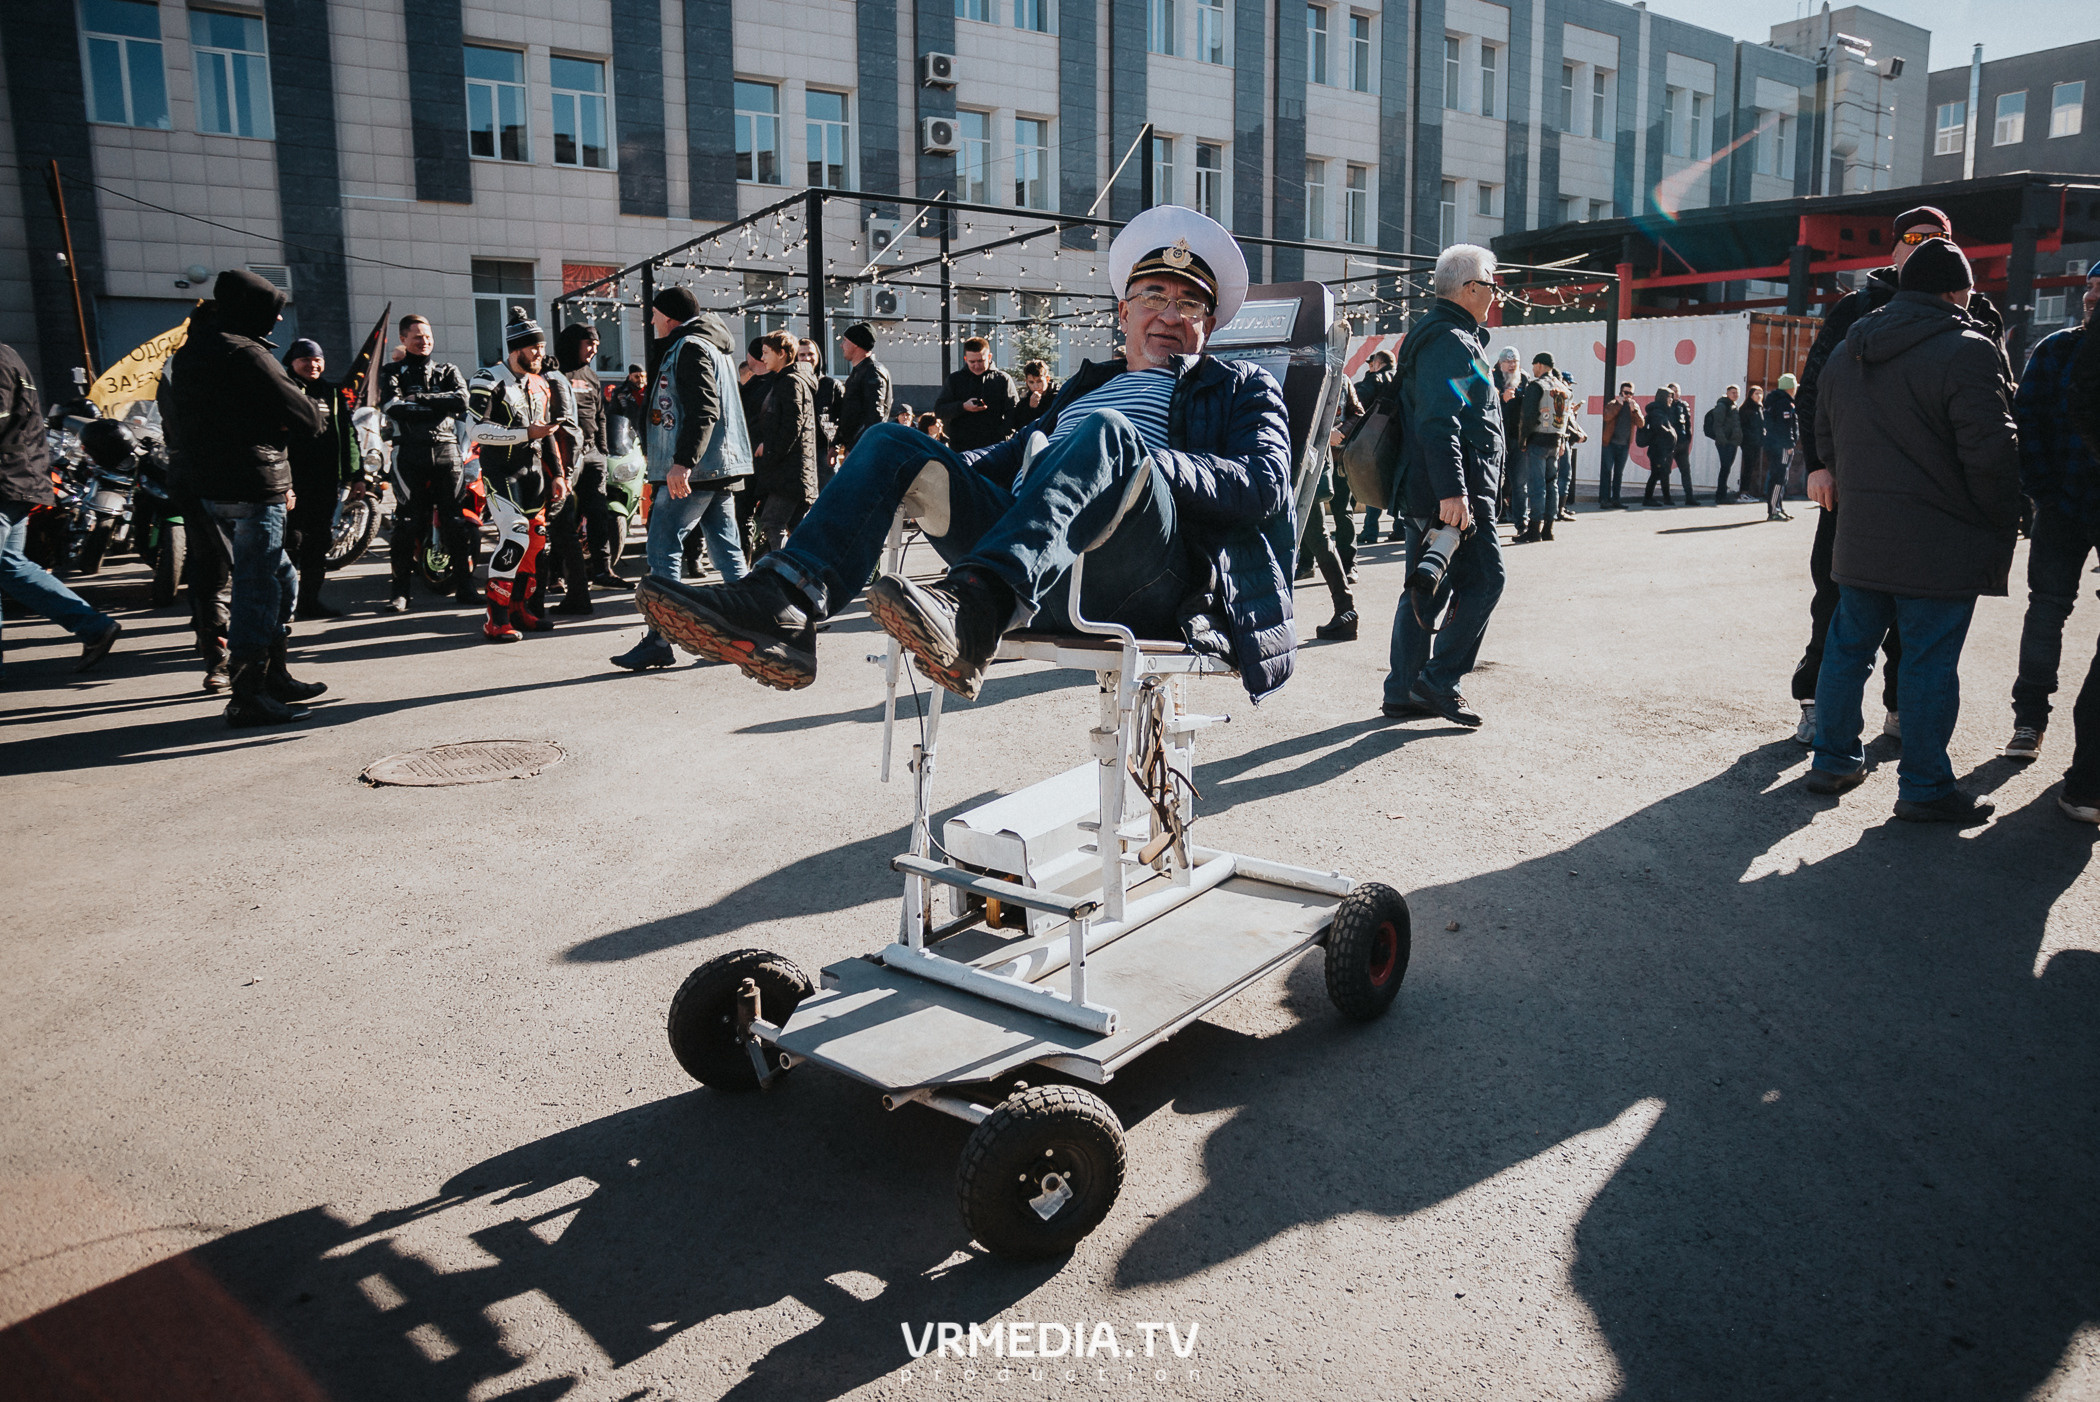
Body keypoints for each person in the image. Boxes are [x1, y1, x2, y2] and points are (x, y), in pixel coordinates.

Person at [636, 203, 1298, 707]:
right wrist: (915, 472)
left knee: (1109, 434)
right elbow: (1006, 458)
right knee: (892, 442)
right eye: (1154, 296)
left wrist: (1145, 461)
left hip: (1146, 574)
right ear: (1123, 312)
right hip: (1041, 560)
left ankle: (976, 611)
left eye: (1191, 304)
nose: (1171, 314)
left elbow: (1267, 483)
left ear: (1212, 325)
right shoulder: (1087, 386)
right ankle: (783, 606)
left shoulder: (1239, 385)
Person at [1806, 238, 2019, 824]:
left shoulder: (1852, 345)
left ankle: (1832, 759)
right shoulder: (1967, 349)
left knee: (1848, 650)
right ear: (1956, 291)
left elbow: (1825, 432)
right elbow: (1991, 452)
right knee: (1928, 662)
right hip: (1939, 540)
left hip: (1860, 533)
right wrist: (2001, 517)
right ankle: (1924, 787)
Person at [168, 268, 329, 725]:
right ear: (250, 310)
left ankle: (274, 676)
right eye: (272, 311)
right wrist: (282, 416)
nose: (277, 321)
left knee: (279, 578)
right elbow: (309, 418)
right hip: (254, 488)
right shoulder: (247, 353)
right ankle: (248, 694)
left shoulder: (191, 352)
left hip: (210, 486)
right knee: (258, 588)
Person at [1380, 245, 1506, 729]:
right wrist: (1454, 493)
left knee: (1424, 587)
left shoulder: (1443, 334)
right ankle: (1438, 681)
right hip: (1453, 491)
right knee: (1486, 580)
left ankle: (1403, 690)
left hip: (1433, 486)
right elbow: (1439, 421)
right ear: (1470, 288)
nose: (1496, 294)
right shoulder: (1451, 340)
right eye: (1492, 285)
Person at [610, 286, 751, 672]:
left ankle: (660, 638)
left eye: (655, 314)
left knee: (662, 548)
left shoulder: (689, 346)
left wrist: (682, 462)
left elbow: (704, 409)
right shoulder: (712, 346)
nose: (651, 320)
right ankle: (751, 628)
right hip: (716, 467)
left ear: (670, 317)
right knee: (726, 551)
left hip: (694, 470)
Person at [2002, 266, 2100, 766]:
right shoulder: (2056, 349)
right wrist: (2042, 492)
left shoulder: (2060, 349)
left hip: (2063, 500)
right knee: (2047, 609)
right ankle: (2030, 720)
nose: (2091, 296)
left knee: (2047, 609)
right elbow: (2026, 423)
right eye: (2089, 287)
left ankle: (2080, 745)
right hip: (2063, 505)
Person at [0, 343, 121, 679]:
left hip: (6, 480)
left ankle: (93, 626)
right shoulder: (8, 354)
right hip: (17, 478)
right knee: (10, 566)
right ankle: (93, 626)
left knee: (10, 566)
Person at [467, 307, 573, 641]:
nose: (541, 354)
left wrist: (558, 474)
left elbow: (548, 432)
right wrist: (525, 433)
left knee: (536, 542)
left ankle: (519, 610)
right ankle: (495, 618)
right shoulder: (487, 378)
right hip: (500, 473)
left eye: (542, 347)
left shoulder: (541, 384)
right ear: (516, 349)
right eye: (534, 348)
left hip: (534, 474)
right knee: (514, 536)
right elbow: (475, 430)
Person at [378, 314, 475, 611]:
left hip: (447, 451)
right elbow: (393, 406)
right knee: (407, 524)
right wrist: (438, 405)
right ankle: (400, 594)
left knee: (456, 522)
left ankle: (466, 589)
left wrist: (420, 398)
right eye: (418, 337)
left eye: (428, 336)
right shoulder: (392, 370)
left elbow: (462, 401)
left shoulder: (448, 369)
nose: (424, 341)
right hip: (410, 453)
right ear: (403, 339)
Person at [279, 338, 355, 620]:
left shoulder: (332, 392)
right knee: (291, 540)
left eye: (317, 359)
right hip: (290, 481)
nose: (312, 364)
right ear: (292, 362)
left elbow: (348, 433)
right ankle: (283, 605)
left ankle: (309, 602)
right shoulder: (283, 387)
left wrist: (355, 475)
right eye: (305, 359)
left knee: (319, 542)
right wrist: (283, 484)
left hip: (324, 481)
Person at [551, 322, 618, 611]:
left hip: (593, 455)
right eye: (589, 344)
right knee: (563, 517)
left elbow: (601, 415)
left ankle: (603, 570)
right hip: (566, 455)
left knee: (598, 513)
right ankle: (555, 575)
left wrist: (603, 450)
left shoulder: (591, 375)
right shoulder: (554, 372)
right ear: (573, 343)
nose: (593, 350)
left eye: (597, 346)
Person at [751, 330, 818, 554]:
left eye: (766, 352)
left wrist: (769, 451)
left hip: (789, 472)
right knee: (797, 527)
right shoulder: (792, 380)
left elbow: (791, 427)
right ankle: (806, 567)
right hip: (795, 470)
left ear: (781, 353)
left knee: (773, 522)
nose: (762, 358)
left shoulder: (789, 382)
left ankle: (782, 568)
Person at [1511, 353, 1573, 542]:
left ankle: (1534, 529)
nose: (1533, 369)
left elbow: (1528, 416)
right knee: (1551, 484)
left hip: (1537, 440)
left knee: (1536, 486)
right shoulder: (1563, 387)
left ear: (1540, 365)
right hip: (1556, 440)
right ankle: (1548, 529)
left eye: (1534, 365)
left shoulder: (1537, 386)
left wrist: (1523, 440)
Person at [935, 336, 1019, 456]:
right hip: (962, 447)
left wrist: (1004, 434)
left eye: (980, 361)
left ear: (989, 357)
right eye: (972, 362)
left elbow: (1014, 411)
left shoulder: (1002, 379)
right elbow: (939, 411)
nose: (976, 365)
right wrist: (963, 407)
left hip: (994, 447)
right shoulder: (955, 380)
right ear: (965, 359)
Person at [834, 323, 892, 457]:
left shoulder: (872, 372)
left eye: (845, 340)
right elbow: (849, 413)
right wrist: (837, 443)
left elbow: (874, 417)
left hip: (863, 449)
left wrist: (854, 448)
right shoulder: (861, 371)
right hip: (858, 447)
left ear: (855, 344)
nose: (841, 345)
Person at [1355, 350, 1395, 541]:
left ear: (1377, 364)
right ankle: (1400, 528)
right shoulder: (1404, 377)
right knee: (1399, 483)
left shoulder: (1375, 378)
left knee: (1374, 482)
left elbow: (1359, 402)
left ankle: (1370, 530)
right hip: (1401, 436)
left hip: (1377, 437)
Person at [798, 338, 842, 490]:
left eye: (810, 354)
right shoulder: (791, 384)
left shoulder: (831, 385)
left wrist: (835, 446)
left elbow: (842, 418)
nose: (807, 358)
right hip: (799, 452)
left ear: (818, 356)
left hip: (824, 450)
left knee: (831, 494)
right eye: (802, 355)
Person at [1491, 348, 1525, 524]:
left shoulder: (1523, 378)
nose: (1512, 365)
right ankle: (1498, 513)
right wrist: (1501, 400)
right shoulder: (1492, 378)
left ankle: (1521, 520)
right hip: (1498, 435)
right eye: (1508, 362)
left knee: (1519, 481)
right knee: (1497, 479)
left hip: (1517, 435)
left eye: (1515, 362)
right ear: (1500, 363)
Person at [1763, 373, 1799, 518]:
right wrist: (1789, 444)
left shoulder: (1774, 401)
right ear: (1791, 387)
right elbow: (1785, 426)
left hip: (1773, 444)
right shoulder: (1785, 403)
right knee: (1779, 477)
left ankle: (1778, 507)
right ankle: (1773, 510)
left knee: (1780, 477)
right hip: (1781, 446)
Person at [1599, 381, 1638, 509]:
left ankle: (1616, 499)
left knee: (1618, 473)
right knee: (1607, 471)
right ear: (1620, 392)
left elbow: (1641, 423)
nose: (1628, 396)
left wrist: (1634, 410)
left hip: (1624, 444)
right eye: (1626, 393)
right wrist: (1618, 405)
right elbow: (1606, 417)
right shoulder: (1612, 404)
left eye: (1631, 393)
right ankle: (1604, 499)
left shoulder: (1633, 406)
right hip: (1610, 443)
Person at [1639, 387, 1681, 506]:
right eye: (1669, 397)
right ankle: (1647, 499)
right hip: (1658, 450)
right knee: (1656, 474)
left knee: (1664, 473)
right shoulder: (1657, 412)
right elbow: (1658, 427)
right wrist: (1670, 433)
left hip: (1664, 450)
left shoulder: (1663, 411)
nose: (1671, 400)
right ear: (1663, 398)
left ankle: (1667, 498)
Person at [1703, 384, 1744, 505]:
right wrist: (1723, 440)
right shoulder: (1722, 406)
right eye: (1733, 392)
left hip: (1733, 442)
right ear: (1727, 393)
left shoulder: (1734, 406)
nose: (1735, 395)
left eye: (1737, 393)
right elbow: (1718, 425)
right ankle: (1720, 495)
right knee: (1725, 468)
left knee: (1726, 468)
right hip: (1725, 443)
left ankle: (1722, 495)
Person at [1739, 385, 1767, 509]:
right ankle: (1743, 493)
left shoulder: (1759, 408)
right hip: (1748, 443)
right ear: (1750, 395)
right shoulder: (1746, 409)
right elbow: (1743, 427)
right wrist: (1750, 438)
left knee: (1751, 468)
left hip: (1757, 442)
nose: (1759, 396)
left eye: (1761, 393)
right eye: (1756, 393)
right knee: (1748, 467)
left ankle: (1747, 492)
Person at [1013, 359, 1058, 435]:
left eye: (1039, 381)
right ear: (1026, 381)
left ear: (1047, 379)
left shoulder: (1057, 397)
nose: (1035, 386)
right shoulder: (1024, 403)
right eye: (1031, 382)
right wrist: (1031, 409)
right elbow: (1021, 429)